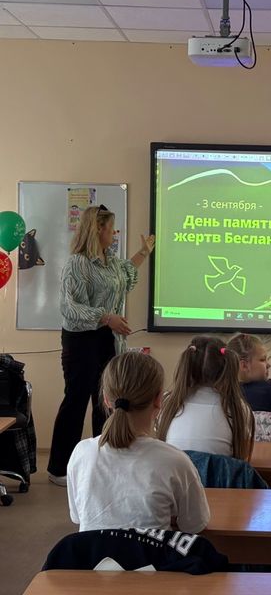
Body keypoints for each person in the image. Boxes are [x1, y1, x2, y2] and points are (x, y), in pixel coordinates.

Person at [47, 205, 155, 486]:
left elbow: (126, 275)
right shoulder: (78, 263)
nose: (114, 233)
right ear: (97, 230)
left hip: (108, 338)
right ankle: (59, 468)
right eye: (111, 229)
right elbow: (70, 307)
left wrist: (144, 252)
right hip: (81, 340)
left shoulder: (110, 261)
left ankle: (102, 463)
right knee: (76, 400)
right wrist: (107, 317)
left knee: (106, 402)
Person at [67, 351, 209, 533]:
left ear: (106, 399)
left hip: (93, 552)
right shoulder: (176, 461)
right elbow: (195, 524)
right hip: (151, 553)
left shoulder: (81, 453)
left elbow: (77, 517)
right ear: (159, 400)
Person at [157, 335, 254, 460]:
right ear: (226, 368)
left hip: (174, 472)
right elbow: (242, 458)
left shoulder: (167, 403)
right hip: (218, 473)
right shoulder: (238, 408)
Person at [227, 333, 271, 415]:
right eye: (262, 360)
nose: (268, 365)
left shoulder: (223, 394)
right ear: (244, 365)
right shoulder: (269, 392)